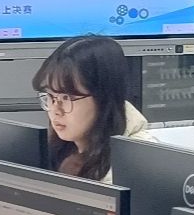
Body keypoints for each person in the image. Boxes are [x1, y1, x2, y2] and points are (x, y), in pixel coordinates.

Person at [31, 34, 155, 182]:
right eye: (51, 96)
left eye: (67, 97)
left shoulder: (136, 164)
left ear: (103, 98)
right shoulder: (65, 149)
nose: (56, 110)